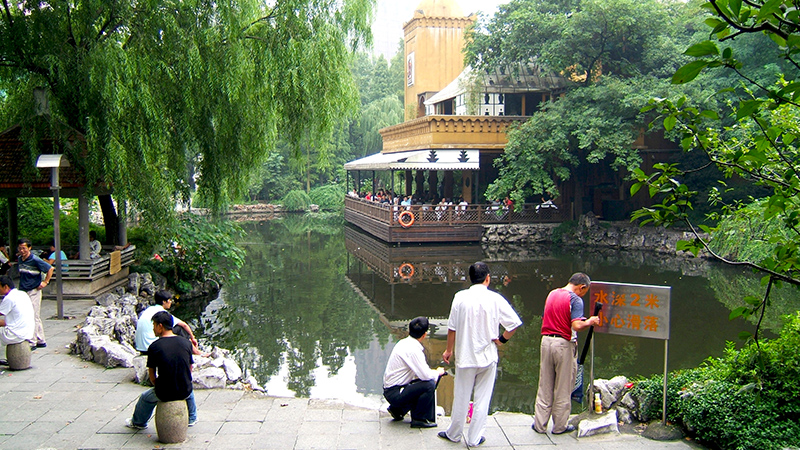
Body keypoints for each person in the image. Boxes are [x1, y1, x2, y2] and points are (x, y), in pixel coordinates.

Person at [438, 262, 522, 447]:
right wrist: (502, 339)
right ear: (487, 278)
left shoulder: (460, 297)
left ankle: (454, 433)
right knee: (482, 399)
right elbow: (514, 323)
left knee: (461, 395)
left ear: (470, 278)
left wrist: (448, 350)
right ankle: (475, 438)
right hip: (487, 356)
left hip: (465, 356)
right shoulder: (495, 298)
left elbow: (451, 327)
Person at [532, 273, 600, 435]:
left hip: (546, 342)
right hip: (563, 344)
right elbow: (576, 325)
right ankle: (559, 426)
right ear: (581, 287)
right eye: (585, 291)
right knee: (563, 387)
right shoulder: (575, 299)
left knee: (545, 385)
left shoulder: (552, 294)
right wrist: (590, 321)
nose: (584, 294)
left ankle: (540, 424)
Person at [125, 311, 197, 429]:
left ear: (160, 326)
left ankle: (138, 422)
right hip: (185, 389)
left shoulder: (154, 347)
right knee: (188, 388)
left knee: (145, 398)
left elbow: (152, 374)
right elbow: (189, 368)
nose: (153, 329)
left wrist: (157, 385)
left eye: (154, 325)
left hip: (165, 392)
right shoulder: (185, 343)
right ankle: (192, 418)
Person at [383, 317, 446, 429]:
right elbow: (426, 375)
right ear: (424, 334)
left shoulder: (404, 342)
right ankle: (419, 418)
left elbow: (420, 373)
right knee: (429, 384)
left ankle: (398, 410)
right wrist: (438, 372)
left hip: (392, 389)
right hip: (395, 392)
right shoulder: (413, 350)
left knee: (422, 382)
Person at [134, 290, 202, 356]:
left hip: (141, 348)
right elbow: (184, 325)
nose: (171, 302)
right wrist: (193, 338)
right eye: (169, 300)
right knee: (178, 328)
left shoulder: (149, 309)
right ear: (164, 302)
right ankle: (195, 351)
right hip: (152, 347)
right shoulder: (162, 312)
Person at [17, 238, 53, 348]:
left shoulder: (35, 259)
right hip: (23, 290)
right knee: (32, 315)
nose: (22, 250)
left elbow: (50, 268)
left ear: (29, 248)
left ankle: (32, 341)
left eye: (24, 248)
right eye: (20, 248)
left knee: (32, 316)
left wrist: (45, 282)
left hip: (34, 290)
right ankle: (41, 339)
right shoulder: (20, 259)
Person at [0, 275, 35, 366]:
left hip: (15, 334)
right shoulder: (22, 294)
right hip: (27, 331)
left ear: (5, 287)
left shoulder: (9, 298)